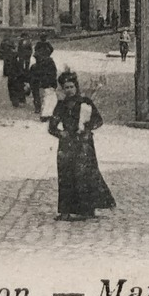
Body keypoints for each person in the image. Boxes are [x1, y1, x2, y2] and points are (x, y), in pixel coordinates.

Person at [47, 69, 115, 221]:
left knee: (85, 174)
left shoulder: (85, 103)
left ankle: (87, 209)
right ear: (62, 89)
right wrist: (60, 133)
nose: (69, 90)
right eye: (66, 87)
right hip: (66, 144)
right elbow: (52, 126)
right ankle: (65, 211)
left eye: (71, 87)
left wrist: (87, 128)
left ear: (76, 87)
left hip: (84, 144)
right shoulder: (61, 106)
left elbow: (98, 120)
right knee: (65, 176)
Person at [29, 32, 59, 119]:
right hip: (45, 65)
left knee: (37, 91)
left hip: (40, 71)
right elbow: (51, 49)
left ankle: (38, 107)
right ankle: (42, 107)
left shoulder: (39, 45)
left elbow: (36, 50)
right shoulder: (47, 45)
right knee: (45, 91)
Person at [0, 34, 25, 107]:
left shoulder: (8, 55)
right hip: (16, 72)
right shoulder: (15, 54)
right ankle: (20, 99)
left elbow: (0, 57)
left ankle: (14, 100)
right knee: (19, 86)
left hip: (12, 73)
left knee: (12, 86)